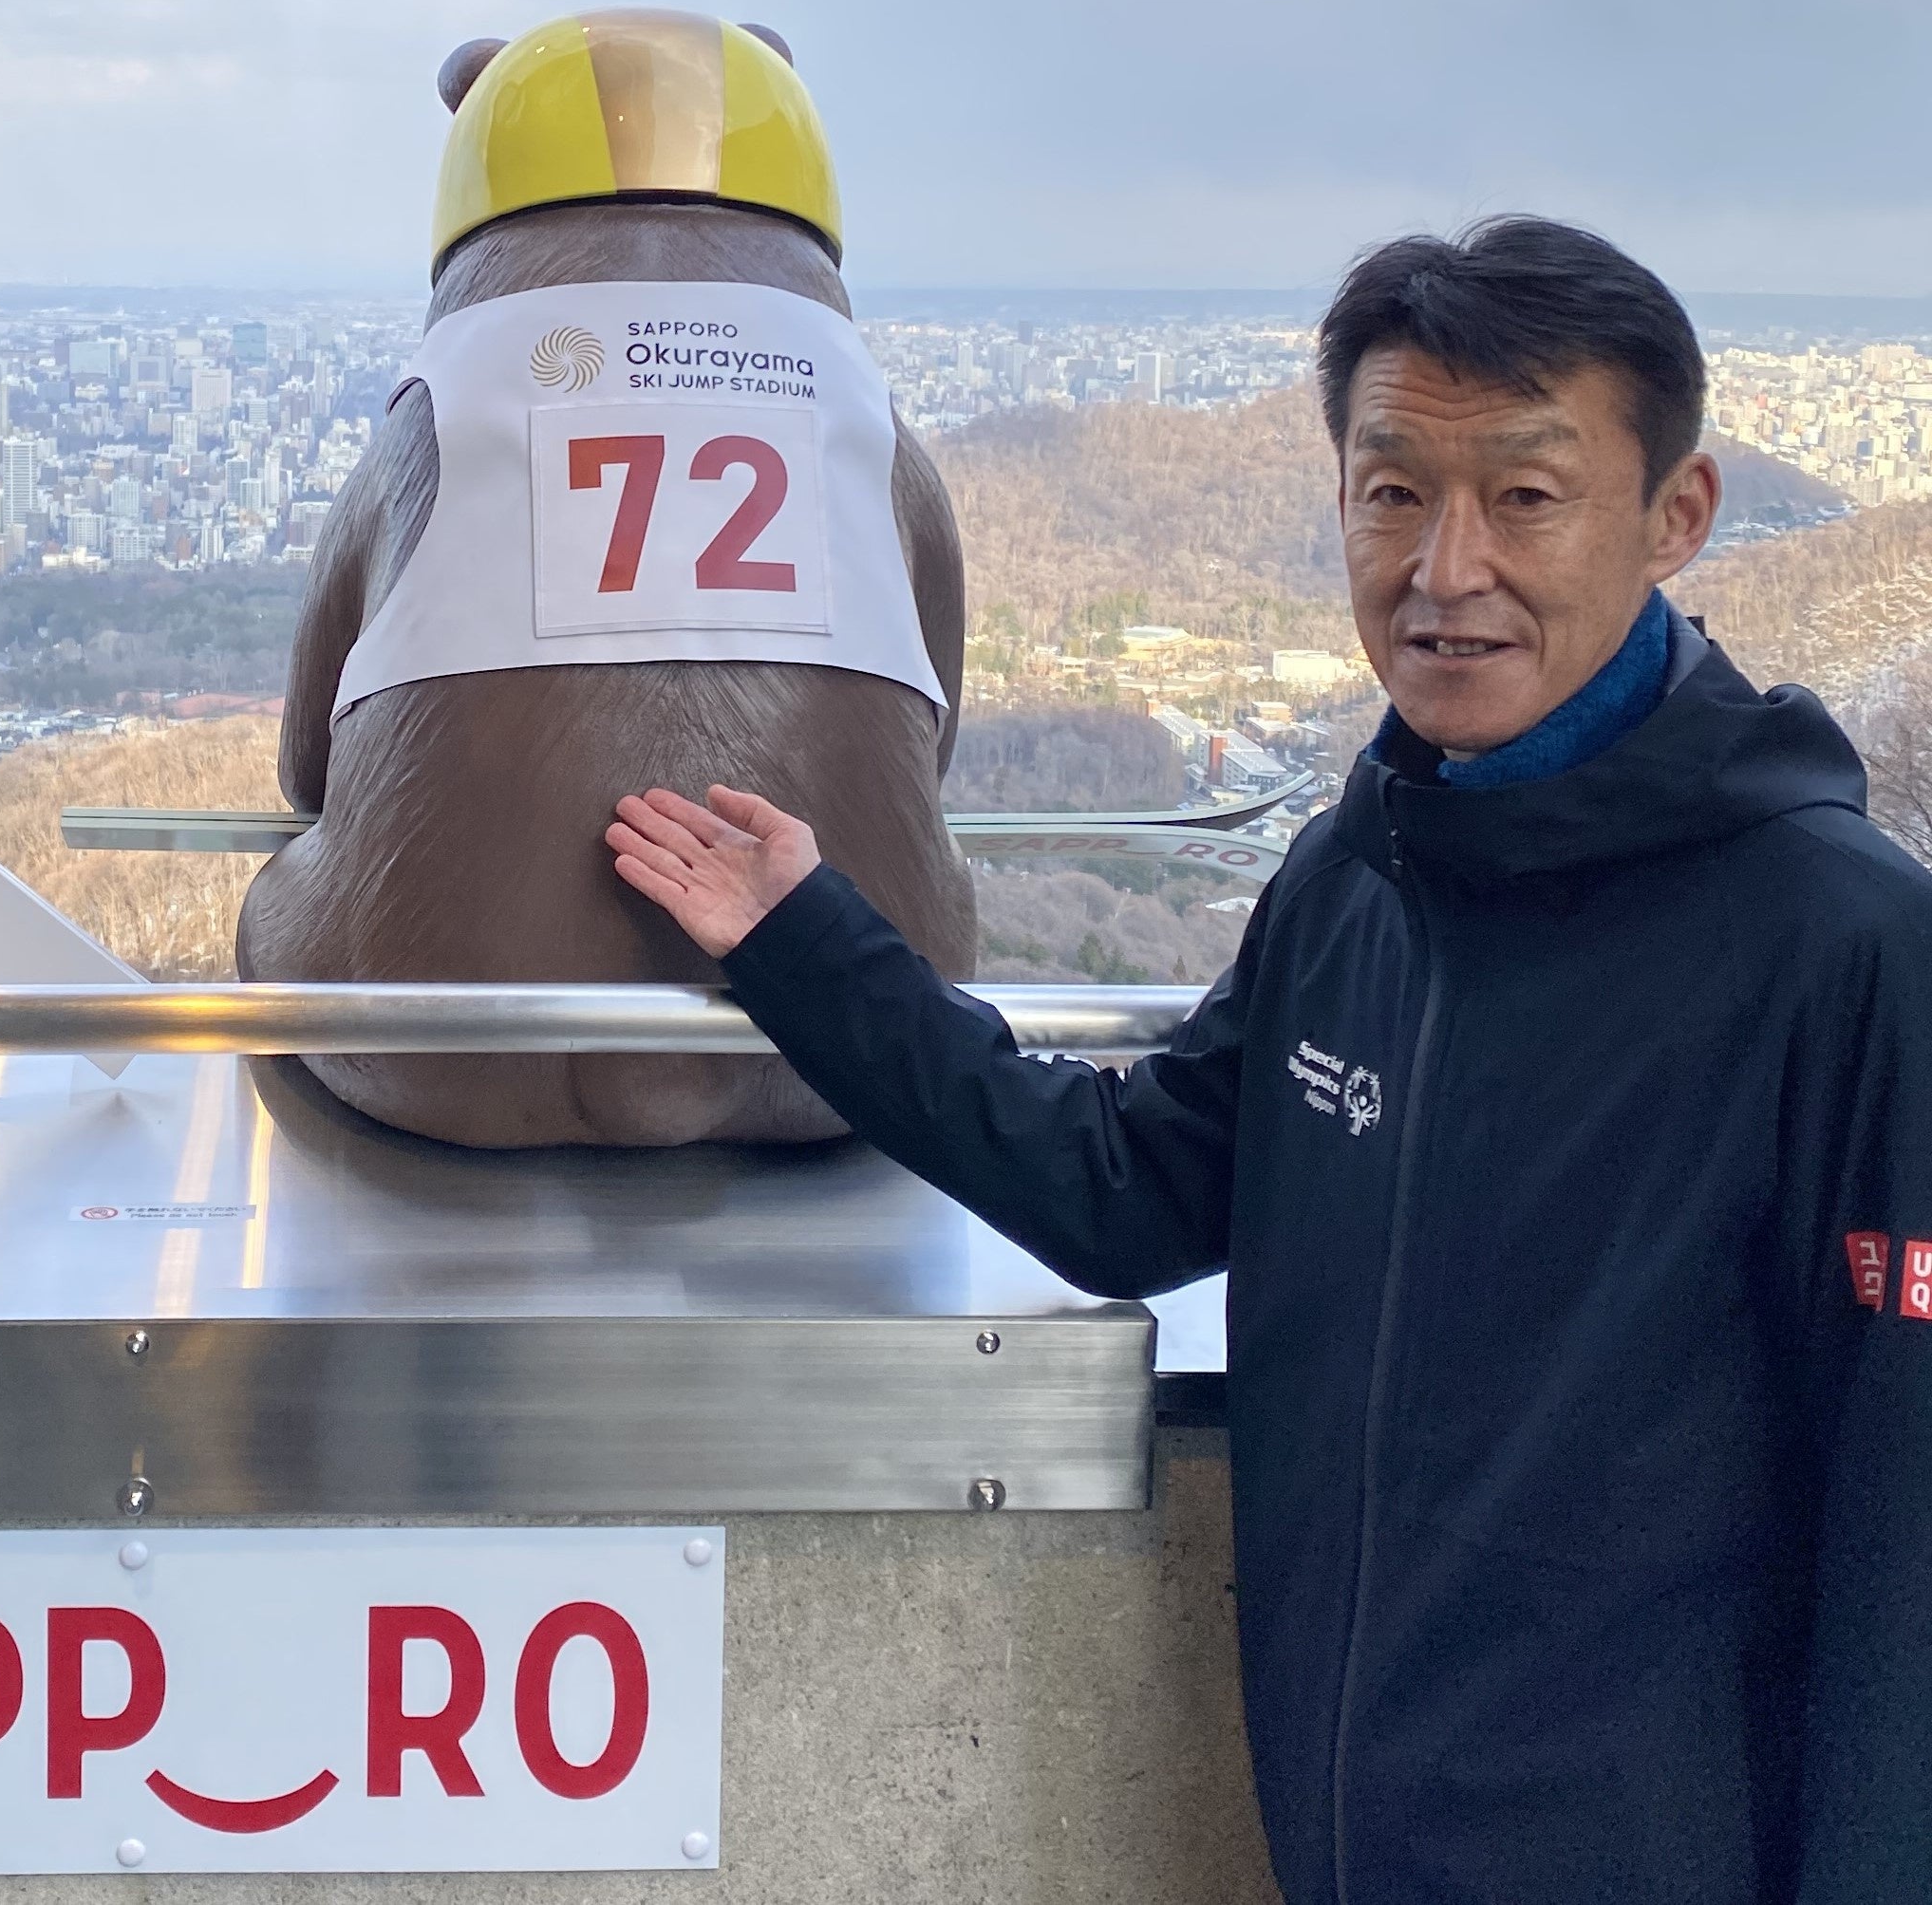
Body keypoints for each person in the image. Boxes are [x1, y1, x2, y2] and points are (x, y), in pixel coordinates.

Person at [606, 216, 1927, 1905]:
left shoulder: (1838, 945)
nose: (1446, 571)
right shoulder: (1361, 872)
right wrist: (809, 944)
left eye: (1525, 497)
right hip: (1348, 1845)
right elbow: (1126, 1188)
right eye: (1393, 493)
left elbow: (1907, 1549)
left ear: (1677, 515)